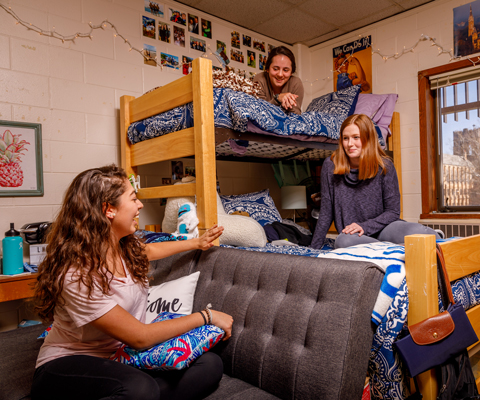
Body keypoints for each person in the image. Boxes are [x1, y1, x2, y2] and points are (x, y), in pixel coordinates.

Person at [31, 165, 232, 400]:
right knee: (140, 389)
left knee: (209, 364)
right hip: (67, 364)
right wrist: (206, 317)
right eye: (134, 199)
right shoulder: (77, 274)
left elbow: (150, 249)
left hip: (120, 356)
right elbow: (141, 337)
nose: (140, 205)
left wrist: (196, 243)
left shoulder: (123, 246)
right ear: (108, 209)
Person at [310, 114, 441, 249]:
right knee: (342, 242)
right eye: (345, 138)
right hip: (354, 236)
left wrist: (364, 226)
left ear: (368, 138)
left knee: (417, 231)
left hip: (384, 228)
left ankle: (435, 239)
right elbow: (326, 212)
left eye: (356, 137)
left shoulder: (385, 166)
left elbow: (393, 212)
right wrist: (313, 250)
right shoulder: (330, 165)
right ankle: (396, 248)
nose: (350, 144)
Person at [253, 46, 304, 115]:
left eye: (285, 70)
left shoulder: (296, 83)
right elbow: (259, 111)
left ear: (291, 72)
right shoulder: (259, 79)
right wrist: (277, 99)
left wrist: (288, 104)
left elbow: (296, 115)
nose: (280, 74)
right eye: (275, 69)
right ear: (267, 69)